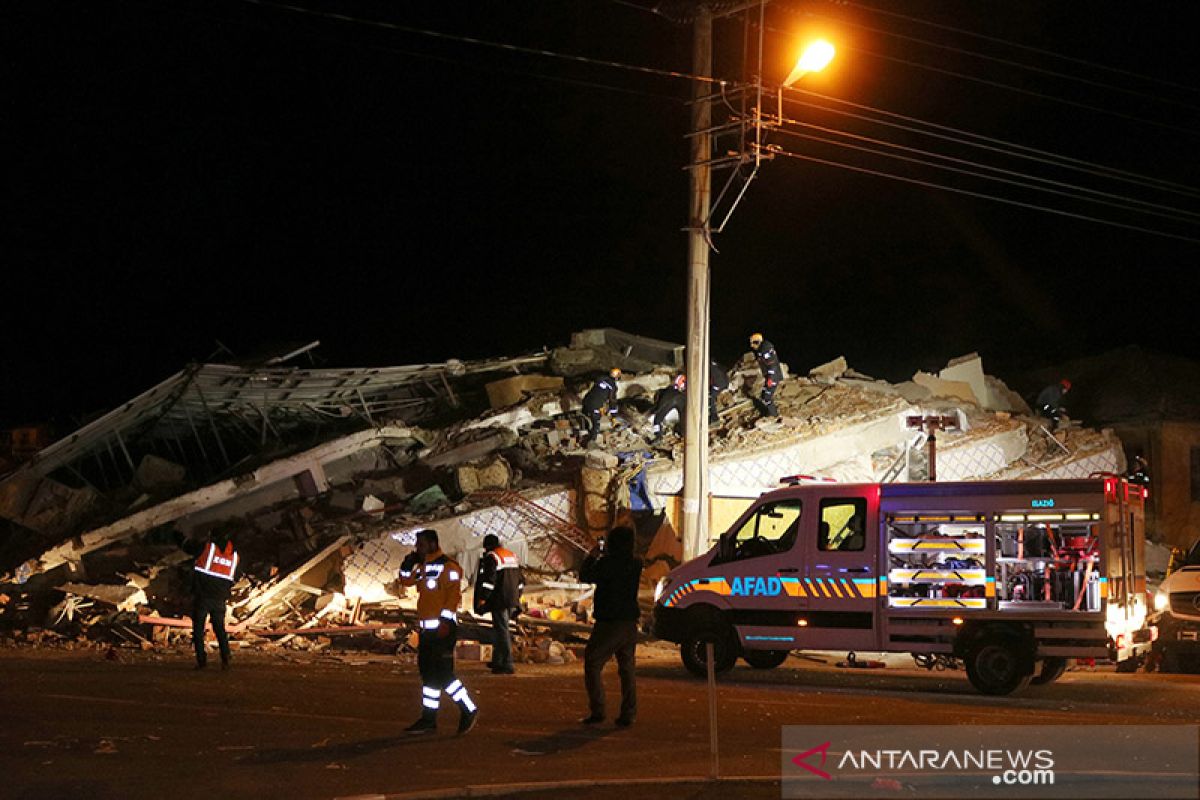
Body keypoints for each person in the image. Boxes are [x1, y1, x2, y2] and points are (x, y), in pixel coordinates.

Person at [399, 529, 478, 735]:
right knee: (428, 676)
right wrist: (408, 563)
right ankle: (429, 719)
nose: (419, 548)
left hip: (443, 630)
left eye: (422, 545)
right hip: (426, 631)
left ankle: (468, 708)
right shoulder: (424, 566)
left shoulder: (448, 567)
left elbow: (453, 596)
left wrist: (445, 620)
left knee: (444, 675)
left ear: (433, 544)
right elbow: (406, 581)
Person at [579, 526, 642, 727]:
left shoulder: (607, 563)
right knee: (627, 669)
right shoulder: (635, 563)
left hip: (609, 622)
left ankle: (598, 709)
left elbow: (586, 575)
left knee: (592, 662)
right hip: (629, 622)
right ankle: (628, 712)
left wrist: (593, 555)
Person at [179, 525, 239, 671]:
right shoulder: (234, 556)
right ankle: (226, 658)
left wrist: (177, 533)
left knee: (198, 630)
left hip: (203, 596)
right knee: (220, 629)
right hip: (220, 599)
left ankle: (201, 661)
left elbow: (187, 546)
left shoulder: (207, 548)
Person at [474, 534, 523, 675]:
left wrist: (483, 598)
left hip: (499, 600)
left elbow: (489, 581)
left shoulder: (492, 557)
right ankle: (498, 660)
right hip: (512, 599)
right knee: (500, 630)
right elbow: (520, 580)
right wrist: (518, 597)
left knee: (502, 631)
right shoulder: (511, 555)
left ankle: (507, 663)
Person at [581, 368, 622, 443]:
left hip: (586, 401)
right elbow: (612, 401)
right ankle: (591, 442)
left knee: (586, 414)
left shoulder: (600, 378)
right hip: (595, 405)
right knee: (596, 424)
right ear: (617, 377)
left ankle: (584, 428)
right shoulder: (612, 387)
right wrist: (614, 416)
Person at [749, 333, 782, 417]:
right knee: (764, 394)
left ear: (757, 342)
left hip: (773, 377)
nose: (752, 345)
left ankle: (773, 415)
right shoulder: (762, 349)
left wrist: (770, 378)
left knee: (767, 397)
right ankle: (768, 412)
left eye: (753, 343)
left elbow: (772, 365)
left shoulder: (765, 350)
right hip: (770, 376)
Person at [649, 374, 687, 439]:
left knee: (657, 420)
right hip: (681, 398)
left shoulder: (665, 394)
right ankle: (683, 431)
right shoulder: (684, 377)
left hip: (673, 397)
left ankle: (658, 436)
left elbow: (658, 416)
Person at [708, 360, 729, 425]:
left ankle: (714, 418)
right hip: (724, 383)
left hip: (718, 385)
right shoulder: (718, 365)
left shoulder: (711, 368)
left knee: (712, 400)